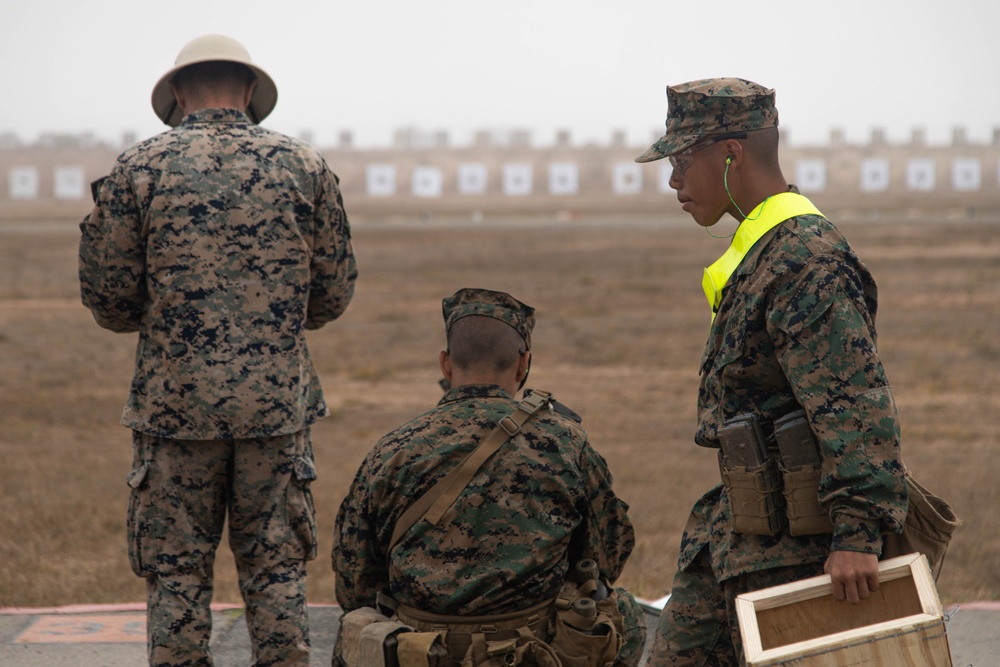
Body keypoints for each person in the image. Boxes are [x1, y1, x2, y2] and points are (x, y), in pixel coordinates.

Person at [78, 34, 358, 667]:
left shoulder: (138, 169)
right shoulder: (304, 166)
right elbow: (333, 295)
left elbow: (111, 303)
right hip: (274, 411)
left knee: (175, 577)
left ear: (177, 94)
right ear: (252, 91)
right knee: (277, 574)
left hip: (174, 415)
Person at [634, 78, 908, 665]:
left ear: (730, 153)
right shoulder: (762, 250)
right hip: (737, 537)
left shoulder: (804, 260)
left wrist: (858, 534)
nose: (674, 180)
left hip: (798, 552)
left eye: (683, 160)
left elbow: (855, 398)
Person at [331, 288, 645, 667]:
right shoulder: (564, 443)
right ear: (523, 364)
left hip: (421, 653)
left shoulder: (393, 450)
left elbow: (354, 585)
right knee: (623, 610)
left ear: (446, 364)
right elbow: (607, 555)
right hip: (533, 653)